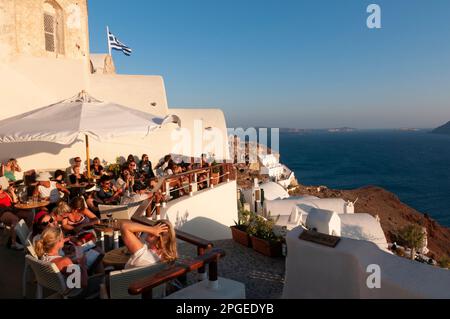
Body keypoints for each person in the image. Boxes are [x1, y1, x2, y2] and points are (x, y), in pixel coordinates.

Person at [0, 184, 27, 250]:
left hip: (13, 210)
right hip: (3, 212)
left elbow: (15, 201)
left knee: (29, 214)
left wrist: (12, 192)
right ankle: (13, 243)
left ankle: (25, 237)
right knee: (14, 219)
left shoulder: (6, 193)